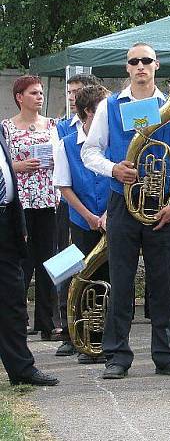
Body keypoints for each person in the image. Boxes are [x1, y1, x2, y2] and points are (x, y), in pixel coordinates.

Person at [82, 42, 170, 379]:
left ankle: (166, 354)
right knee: (121, 281)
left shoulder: (169, 108)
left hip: (161, 204)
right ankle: (117, 355)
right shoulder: (109, 106)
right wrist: (114, 169)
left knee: (162, 283)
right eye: (134, 61)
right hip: (122, 202)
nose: (141, 66)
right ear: (127, 67)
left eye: (146, 60)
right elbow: (90, 152)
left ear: (156, 65)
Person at [53, 85, 111, 364]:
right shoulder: (65, 143)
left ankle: (106, 341)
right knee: (77, 278)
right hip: (81, 219)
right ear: (89, 111)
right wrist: (88, 215)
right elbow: (64, 186)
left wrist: (108, 214)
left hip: (112, 218)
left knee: (111, 280)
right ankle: (75, 337)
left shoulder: (111, 140)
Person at [0, 121, 59, 386]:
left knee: (13, 301)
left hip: (6, 224)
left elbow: (8, 181)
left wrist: (19, 226)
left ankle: (22, 369)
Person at [2, 75, 59, 341]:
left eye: (41, 93)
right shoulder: (7, 128)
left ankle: (46, 322)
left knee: (48, 261)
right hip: (21, 202)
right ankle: (18, 319)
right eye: (34, 93)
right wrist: (18, 166)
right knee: (22, 262)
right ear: (19, 97)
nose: (39, 97)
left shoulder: (52, 125)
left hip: (48, 199)